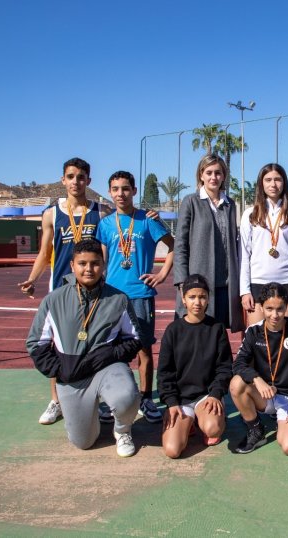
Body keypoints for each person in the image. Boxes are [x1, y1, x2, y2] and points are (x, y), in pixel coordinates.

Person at [26, 239, 142, 457]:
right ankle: (87, 417)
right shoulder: (54, 300)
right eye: (82, 263)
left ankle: (122, 429)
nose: (89, 269)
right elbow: (36, 343)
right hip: (73, 375)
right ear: (72, 265)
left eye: (95, 263)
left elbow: (135, 339)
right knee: (84, 442)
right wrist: (59, 369)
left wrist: (110, 354)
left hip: (107, 369)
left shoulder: (118, 299)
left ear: (104, 265)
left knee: (126, 396)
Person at [18, 157, 106, 426]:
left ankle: (98, 401)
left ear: (88, 181)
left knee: (96, 344)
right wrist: (32, 278)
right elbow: (45, 252)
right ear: (63, 180)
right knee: (58, 346)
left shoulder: (100, 212)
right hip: (62, 288)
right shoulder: (51, 214)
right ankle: (56, 401)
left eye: (81, 177)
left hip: (94, 289)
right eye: (71, 176)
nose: (76, 181)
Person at [96, 170, 174, 424]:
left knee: (144, 349)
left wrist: (162, 274)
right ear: (110, 192)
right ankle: (113, 398)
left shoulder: (148, 219)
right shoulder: (106, 224)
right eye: (116, 189)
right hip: (112, 296)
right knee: (111, 349)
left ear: (134, 191)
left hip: (140, 294)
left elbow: (173, 246)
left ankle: (146, 398)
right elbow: (102, 259)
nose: (121, 194)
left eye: (126, 188)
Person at [229, 283, 288, 456]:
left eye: (280, 309)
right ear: (261, 307)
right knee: (236, 383)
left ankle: (283, 421)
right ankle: (256, 429)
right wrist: (257, 379)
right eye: (269, 308)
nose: (275, 315)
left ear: (286, 307)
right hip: (265, 394)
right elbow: (238, 364)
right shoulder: (253, 331)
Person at [157, 274, 233, 458]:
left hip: (205, 396)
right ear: (183, 299)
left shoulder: (216, 328)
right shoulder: (173, 331)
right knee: (172, 450)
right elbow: (164, 372)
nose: (197, 302)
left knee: (212, 429)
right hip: (182, 400)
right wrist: (171, 403)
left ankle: (207, 418)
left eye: (202, 297)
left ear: (208, 299)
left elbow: (224, 367)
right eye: (192, 297)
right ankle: (188, 422)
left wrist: (215, 394)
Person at [174, 154, 244, 332]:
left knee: (219, 334)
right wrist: (183, 282)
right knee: (197, 333)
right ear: (201, 175)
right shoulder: (191, 201)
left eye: (218, 173)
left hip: (226, 285)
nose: (214, 177)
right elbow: (181, 244)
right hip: (198, 283)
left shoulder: (231, 204)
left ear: (224, 176)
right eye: (209, 172)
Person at [240, 163, 288, 326]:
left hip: (287, 281)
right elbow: (244, 255)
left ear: (284, 183)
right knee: (256, 337)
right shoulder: (250, 214)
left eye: (277, 179)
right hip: (258, 282)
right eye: (268, 180)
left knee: (284, 339)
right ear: (261, 183)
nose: (273, 184)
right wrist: (245, 290)